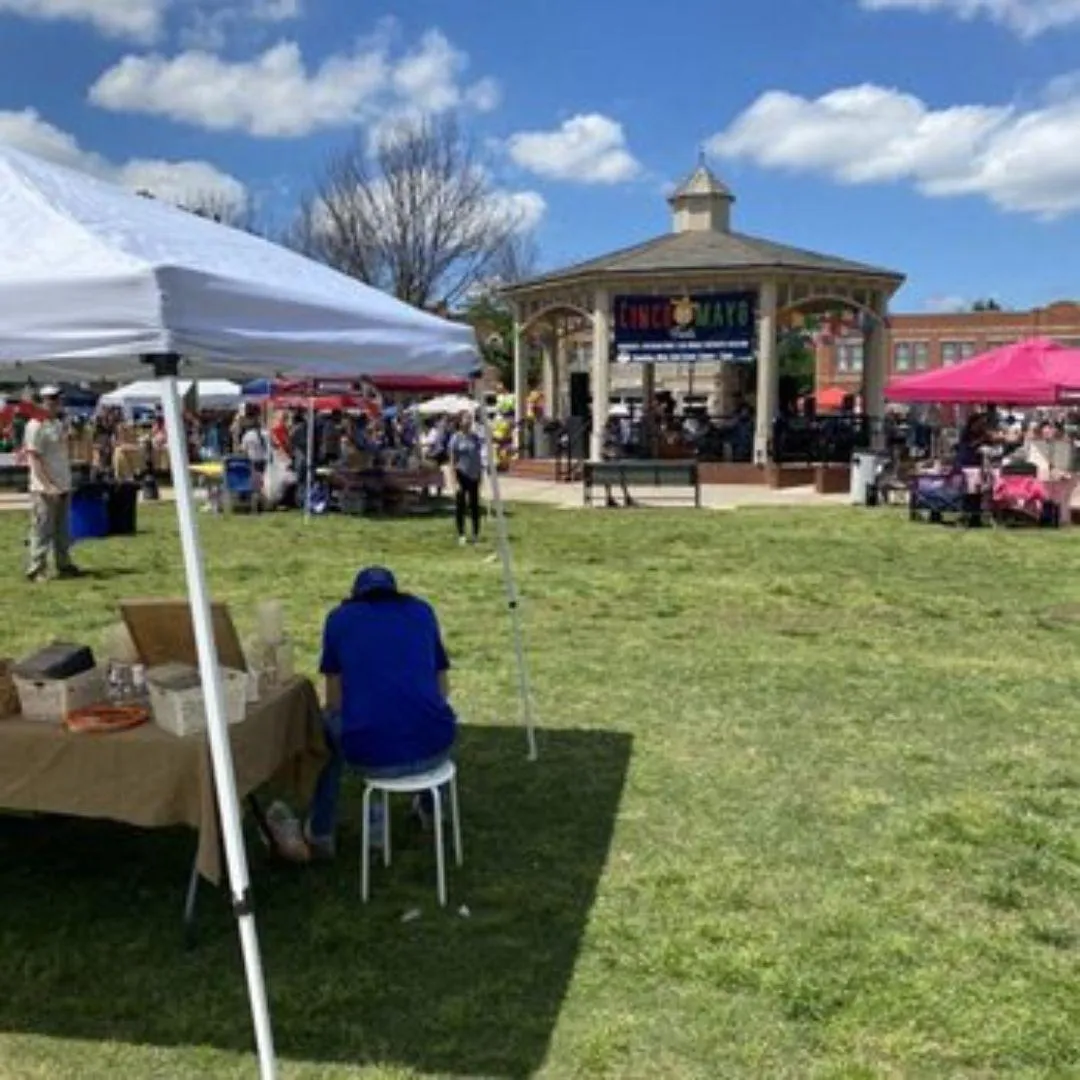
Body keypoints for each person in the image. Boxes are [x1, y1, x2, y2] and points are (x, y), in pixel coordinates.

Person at [299, 567, 457, 858]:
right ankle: (432, 808)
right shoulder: (422, 612)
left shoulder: (339, 620)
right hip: (435, 748)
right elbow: (442, 688)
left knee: (324, 732)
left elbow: (334, 700)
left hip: (370, 755)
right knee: (424, 714)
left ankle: (321, 831)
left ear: (355, 596)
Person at [24, 386, 80, 583]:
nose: (56, 403)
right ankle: (36, 568)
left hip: (62, 483)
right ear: (42, 401)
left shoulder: (57, 422)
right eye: (51, 399)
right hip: (43, 488)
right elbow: (34, 459)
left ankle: (64, 564)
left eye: (58, 399)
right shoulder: (35, 425)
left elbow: (61, 452)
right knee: (42, 529)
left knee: (62, 529)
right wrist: (47, 485)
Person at [449, 410, 484, 545]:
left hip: (474, 475)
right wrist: (454, 481)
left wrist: (480, 475)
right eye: (466, 419)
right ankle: (461, 534)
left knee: (475, 506)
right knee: (461, 506)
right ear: (460, 421)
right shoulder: (456, 438)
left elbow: (478, 456)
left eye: (470, 419)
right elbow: (452, 461)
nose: (469, 421)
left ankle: (475, 534)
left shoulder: (475, 438)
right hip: (461, 474)